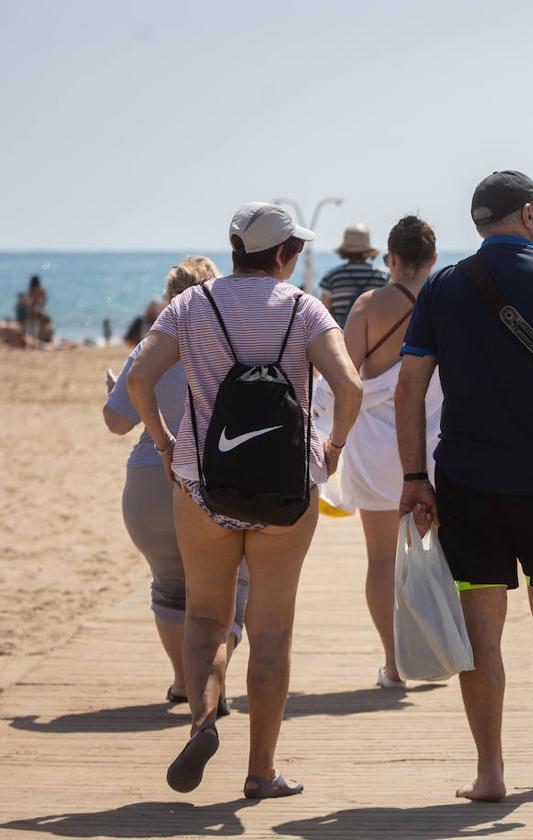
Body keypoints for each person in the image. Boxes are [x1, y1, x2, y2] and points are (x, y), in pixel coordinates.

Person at [127, 202, 362, 800]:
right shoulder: (306, 310)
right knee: (273, 629)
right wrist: (332, 449)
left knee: (207, 617)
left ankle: (204, 722)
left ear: (235, 249)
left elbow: (137, 381)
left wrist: (163, 442)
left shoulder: (190, 305)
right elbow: (349, 386)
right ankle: (261, 772)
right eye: (297, 250)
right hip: (287, 490)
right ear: (283, 255)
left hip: (205, 486)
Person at [396, 170, 533, 802]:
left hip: (467, 481)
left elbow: (410, 388)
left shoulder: (443, 287)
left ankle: (489, 773)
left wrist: (414, 477)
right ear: (526, 214)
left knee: (480, 631)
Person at [104, 257, 249, 715]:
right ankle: (213, 685)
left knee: (169, 587)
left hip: (150, 478)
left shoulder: (151, 346)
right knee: (229, 586)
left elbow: (116, 422)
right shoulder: (232, 343)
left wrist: (116, 390)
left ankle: (186, 684)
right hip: (216, 478)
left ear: (170, 299)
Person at [337, 215, 442, 689]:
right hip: (438, 441)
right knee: (443, 552)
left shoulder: (367, 305)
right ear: (434, 260)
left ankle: (394, 663)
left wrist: (330, 441)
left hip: (379, 446)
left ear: (391, 259)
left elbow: (345, 378)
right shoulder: (450, 301)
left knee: (381, 559)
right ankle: (444, 653)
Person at [318, 223, 390, 328]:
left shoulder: (332, 277)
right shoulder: (384, 276)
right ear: (368, 249)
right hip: (376, 340)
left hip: (342, 340)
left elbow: (324, 316)